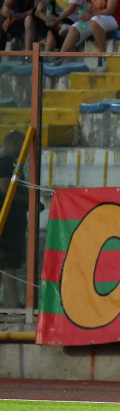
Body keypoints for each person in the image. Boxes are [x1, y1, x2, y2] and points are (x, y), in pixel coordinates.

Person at [0, 129, 28, 307]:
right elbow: (5, 189)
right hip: (8, 220)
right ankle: (14, 305)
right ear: (18, 143)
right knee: (7, 263)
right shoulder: (5, 161)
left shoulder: (9, 161)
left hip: (12, 220)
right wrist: (30, 201)